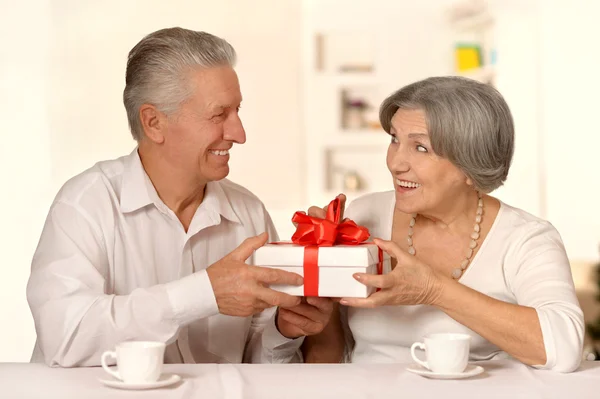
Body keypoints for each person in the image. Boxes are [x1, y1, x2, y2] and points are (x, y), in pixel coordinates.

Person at [26, 27, 332, 367]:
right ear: (154, 122)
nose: (239, 134)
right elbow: (65, 338)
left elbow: (257, 367)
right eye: (219, 115)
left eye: (237, 111)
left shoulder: (249, 213)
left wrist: (283, 331)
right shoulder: (85, 204)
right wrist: (203, 294)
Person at [302, 77, 584, 372]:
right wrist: (316, 283)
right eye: (395, 139)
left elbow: (563, 347)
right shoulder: (364, 216)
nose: (396, 163)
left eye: (420, 148)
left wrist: (434, 290)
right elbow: (326, 355)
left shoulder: (526, 239)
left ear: (470, 165)